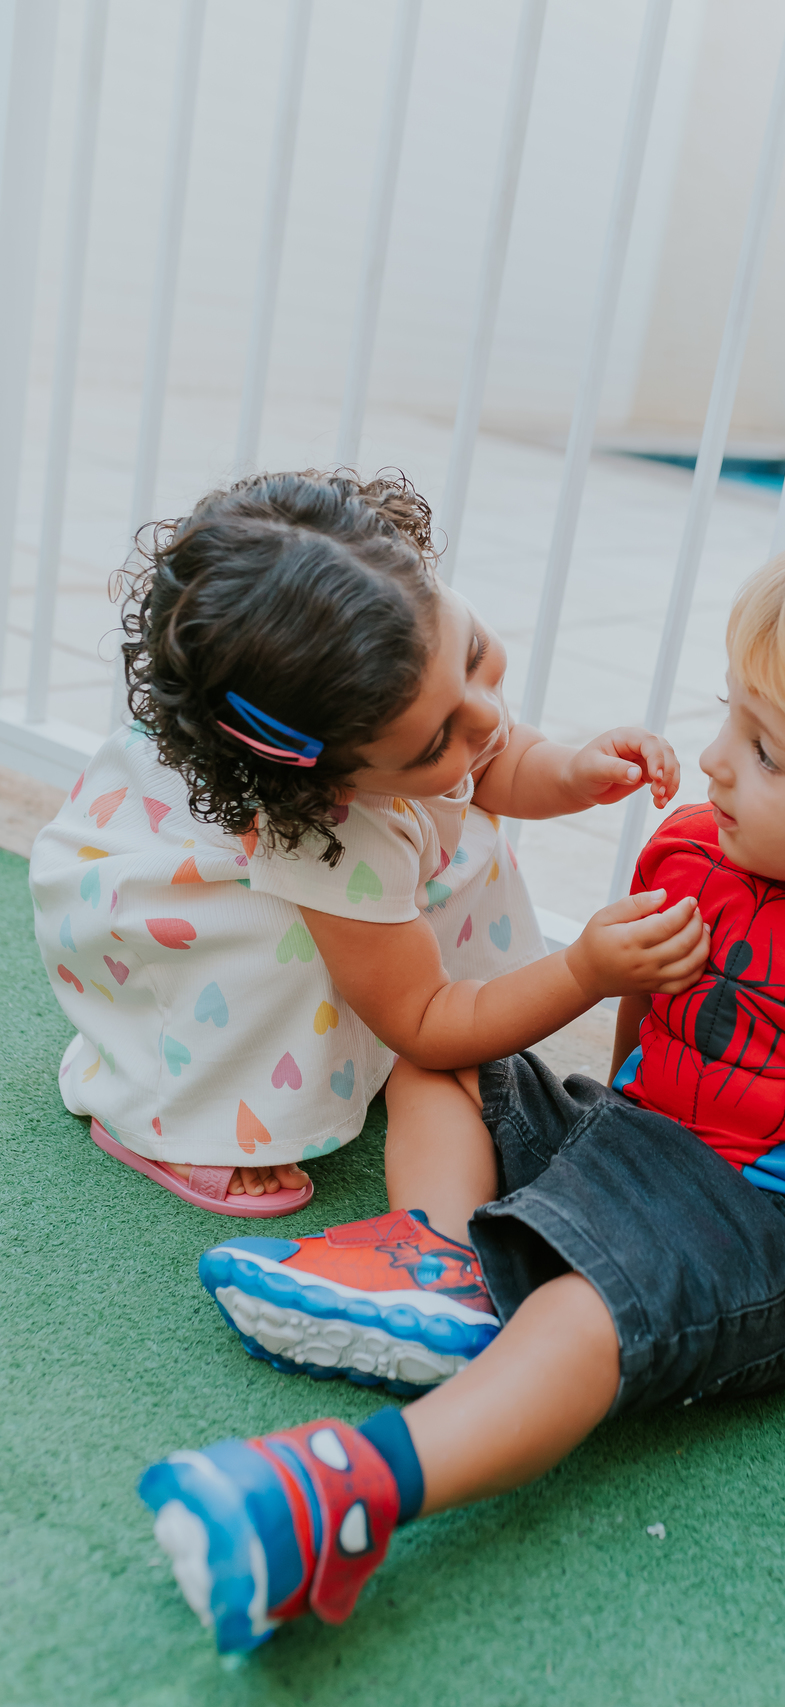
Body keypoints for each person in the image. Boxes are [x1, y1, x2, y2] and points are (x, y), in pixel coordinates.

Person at [140, 538, 785, 1655]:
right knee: (443, 1058)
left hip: (771, 1232)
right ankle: (432, 1259)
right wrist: (593, 1111)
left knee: (587, 1308)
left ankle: (345, 1497)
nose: (717, 762)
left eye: (767, 753)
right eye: (733, 716)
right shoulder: (695, 850)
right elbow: (644, 1040)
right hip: (634, 1144)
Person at [29, 468, 708, 1374]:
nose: (487, 714)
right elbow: (423, 1021)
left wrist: (571, 770)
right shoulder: (325, 838)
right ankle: (162, 1115)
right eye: (435, 741)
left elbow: (493, 761)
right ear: (332, 780)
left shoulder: (405, 675)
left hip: (353, 856)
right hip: (180, 918)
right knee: (295, 956)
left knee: (411, 884)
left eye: (472, 657)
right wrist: (583, 973)